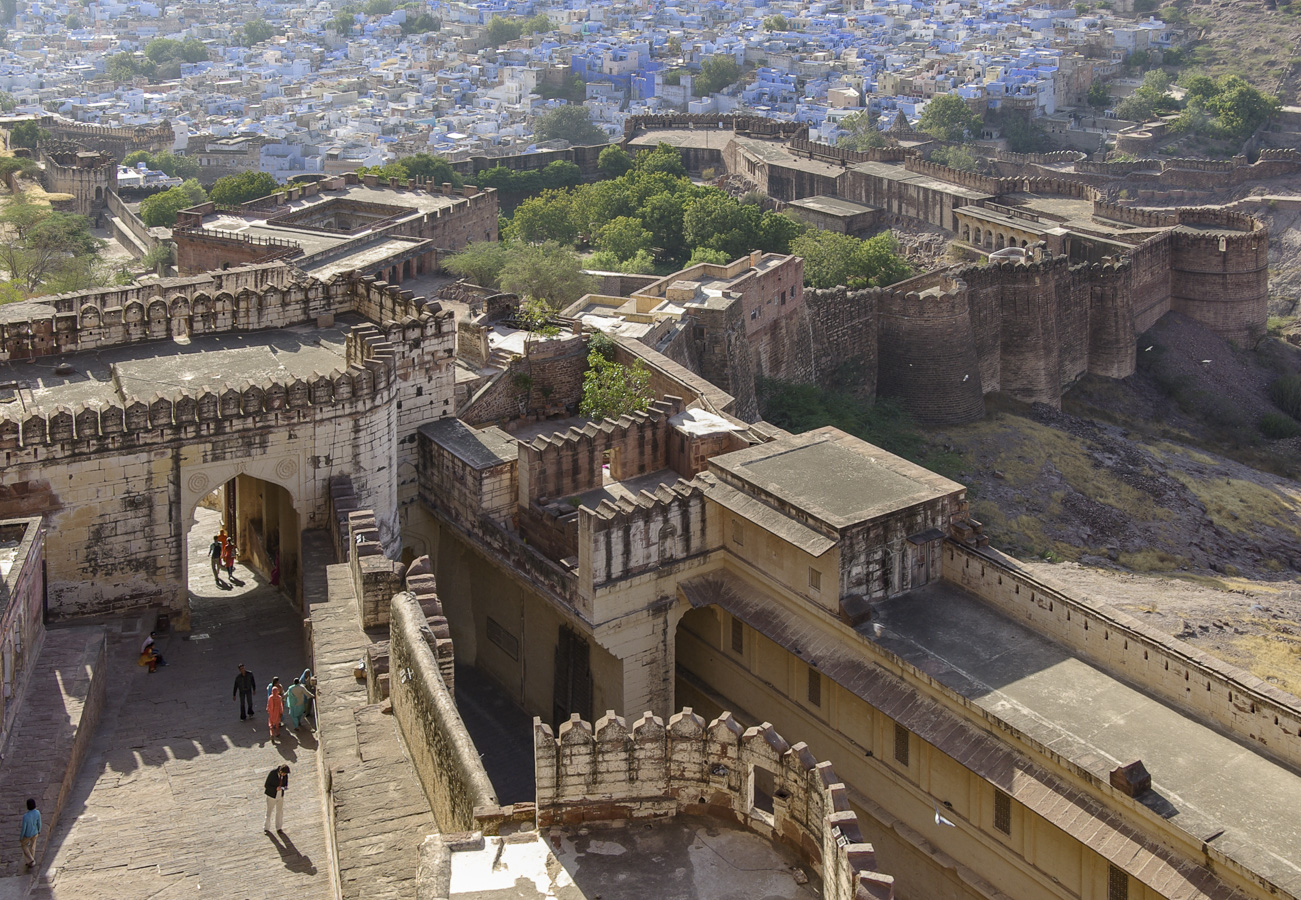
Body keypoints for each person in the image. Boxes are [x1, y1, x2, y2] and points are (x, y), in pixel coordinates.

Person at [263, 765, 289, 834]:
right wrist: (275, 788)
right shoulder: (272, 773)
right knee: (269, 812)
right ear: (280, 771)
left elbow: (286, 784)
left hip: (280, 795)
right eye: (283, 773)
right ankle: (266, 828)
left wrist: (283, 788)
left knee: (279, 811)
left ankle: (279, 828)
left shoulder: (285, 775)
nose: (284, 775)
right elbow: (266, 785)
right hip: (272, 796)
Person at [20, 799, 40, 869]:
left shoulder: (25, 816)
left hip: (27, 834)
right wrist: (39, 830)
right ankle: (31, 858)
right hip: (35, 832)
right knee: (32, 846)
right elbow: (39, 823)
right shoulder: (37, 813)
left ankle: (30, 860)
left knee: (24, 845)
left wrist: (21, 837)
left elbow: (24, 828)